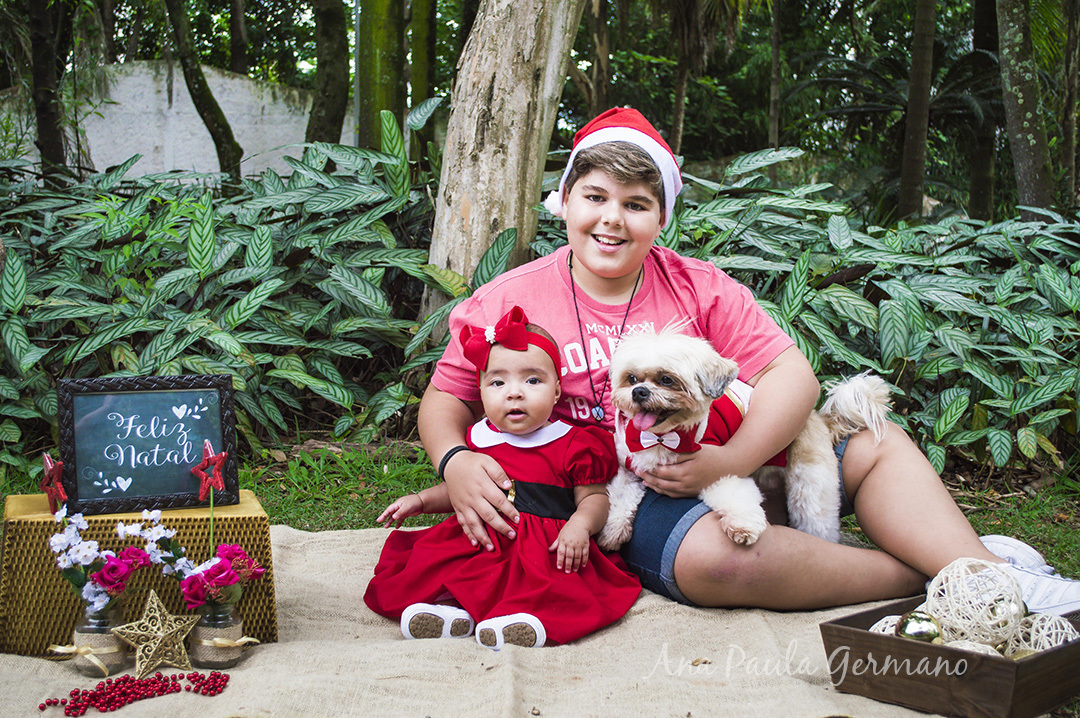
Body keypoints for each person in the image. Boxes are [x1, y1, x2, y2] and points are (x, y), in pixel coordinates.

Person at [417, 107, 1080, 616]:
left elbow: (794, 378)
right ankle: (954, 575)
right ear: (566, 200)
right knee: (719, 562)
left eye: (636, 204)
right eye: (594, 196)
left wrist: (730, 462)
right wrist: (456, 460)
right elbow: (444, 400)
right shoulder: (508, 296)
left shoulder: (699, 286)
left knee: (875, 442)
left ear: (661, 217)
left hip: (720, 457)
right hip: (607, 493)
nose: (611, 219)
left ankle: (984, 577)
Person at [364, 307, 641, 650]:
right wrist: (421, 501)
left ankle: (520, 621)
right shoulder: (478, 440)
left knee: (550, 586)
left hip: (543, 546)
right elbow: (461, 490)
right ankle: (450, 613)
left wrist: (581, 525)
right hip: (483, 538)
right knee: (449, 569)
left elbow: (595, 498)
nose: (514, 392)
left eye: (532, 380)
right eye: (498, 382)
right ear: (480, 392)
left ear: (557, 391)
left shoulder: (573, 444)